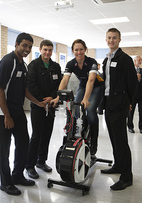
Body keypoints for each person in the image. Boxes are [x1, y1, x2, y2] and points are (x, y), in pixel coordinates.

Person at [0, 33, 45, 196]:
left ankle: (17, 176)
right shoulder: (8, 61)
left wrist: (38, 102)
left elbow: (24, 90)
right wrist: (7, 116)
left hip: (17, 111)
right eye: (24, 45)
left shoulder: (23, 65)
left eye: (30, 47)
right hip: (3, 113)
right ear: (16, 44)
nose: (27, 49)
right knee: (4, 148)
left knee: (23, 143)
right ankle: (6, 182)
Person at [51, 39, 104, 157]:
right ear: (72, 51)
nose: (79, 52)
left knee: (90, 111)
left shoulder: (92, 62)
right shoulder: (70, 64)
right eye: (76, 50)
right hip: (83, 85)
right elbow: (65, 80)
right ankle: (78, 134)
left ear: (85, 50)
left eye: (81, 49)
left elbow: (91, 80)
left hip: (96, 87)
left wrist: (85, 99)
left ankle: (94, 142)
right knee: (75, 109)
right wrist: (58, 97)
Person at [100, 28, 138, 191]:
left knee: (121, 140)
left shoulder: (125, 59)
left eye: (114, 38)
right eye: (109, 38)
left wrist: (129, 103)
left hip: (120, 103)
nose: (111, 40)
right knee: (114, 138)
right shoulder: (107, 59)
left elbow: (133, 84)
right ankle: (117, 165)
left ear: (119, 40)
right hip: (108, 103)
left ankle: (126, 176)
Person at [26, 40, 62, 179]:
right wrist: (42, 100)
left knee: (47, 134)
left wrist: (52, 98)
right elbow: (31, 85)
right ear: (40, 49)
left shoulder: (55, 66)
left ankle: (41, 161)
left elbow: (59, 84)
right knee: (36, 135)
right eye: (45, 49)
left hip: (51, 105)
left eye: (50, 50)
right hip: (37, 105)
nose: (47, 52)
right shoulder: (34, 66)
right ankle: (30, 165)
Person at [127, 56, 142, 133]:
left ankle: (141, 127)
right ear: (135, 61)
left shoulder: (141, 70)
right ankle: (130, 126)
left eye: (141, 60)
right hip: (132, 95)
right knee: (131, 112)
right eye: (139, 60)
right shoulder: (130, 70)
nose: (140, 61)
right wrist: (135, 78)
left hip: (141, 95)